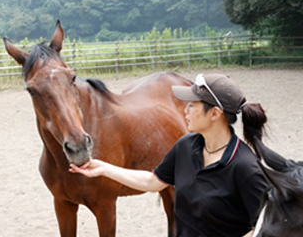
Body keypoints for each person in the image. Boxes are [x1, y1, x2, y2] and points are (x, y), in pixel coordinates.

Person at [70, 73, 270, 237]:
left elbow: (263, 227)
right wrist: (103, 168)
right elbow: (153, 181)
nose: (185, 111)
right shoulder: (185, 146)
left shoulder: (245, 167)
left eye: (192, 105)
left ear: (214, 114)